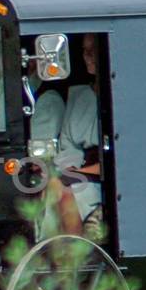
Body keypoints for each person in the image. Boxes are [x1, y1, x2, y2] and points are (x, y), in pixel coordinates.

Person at [30, 33, 103, 224]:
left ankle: (74, 251)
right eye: (85, 51)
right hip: (79, 169)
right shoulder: (81, 96)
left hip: (103, 176)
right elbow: (68, 147)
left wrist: (77, 172)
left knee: (62, 189)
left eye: (93, 51)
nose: (88, 56)